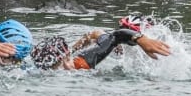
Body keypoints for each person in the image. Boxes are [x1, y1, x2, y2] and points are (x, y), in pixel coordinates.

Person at [31, 25, 172, 71]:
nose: (69, 66)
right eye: (63, 63)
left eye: (69, 59)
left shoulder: (78, 62)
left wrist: (142, 39)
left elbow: (110, 35)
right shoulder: (80, 66)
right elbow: (114, 36)